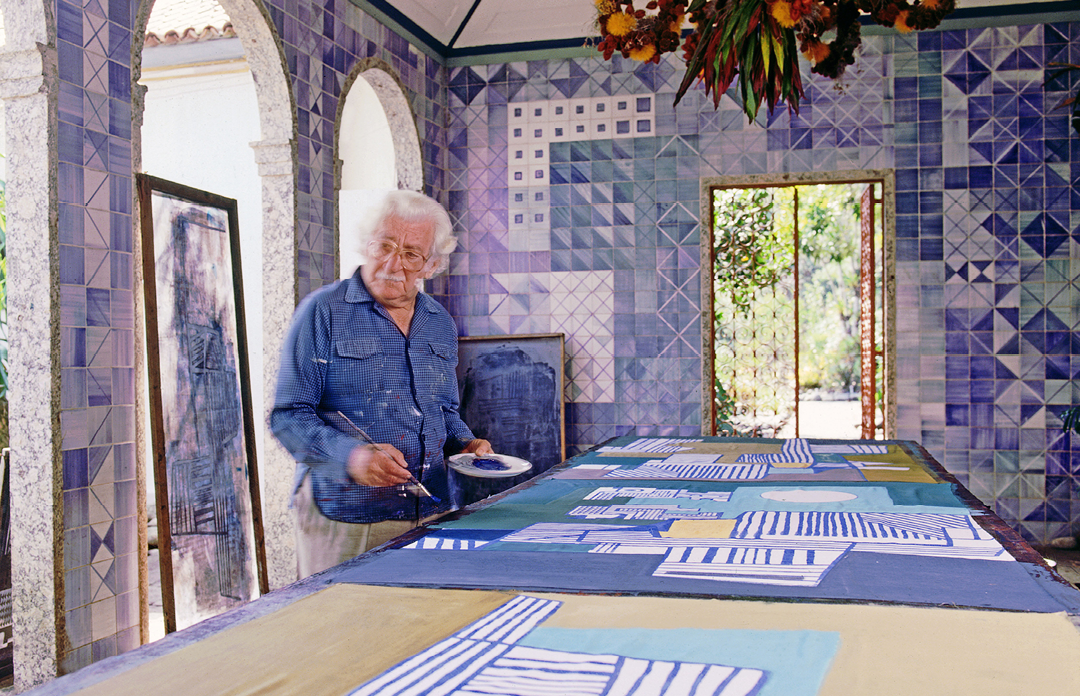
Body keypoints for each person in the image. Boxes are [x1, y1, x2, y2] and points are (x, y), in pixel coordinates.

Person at [271, 190, 492, 578]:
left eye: (411, 254)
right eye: (384, 246)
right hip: (346, 514)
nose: (393, 263)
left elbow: (443, 409)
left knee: (419, 629)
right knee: (344, 629)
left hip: (429, 510)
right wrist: (353, 458)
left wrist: (467, 443)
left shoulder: (439, 322)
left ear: (431, 264)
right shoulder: (322, 311)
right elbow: (289, 417)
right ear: (366, 245)